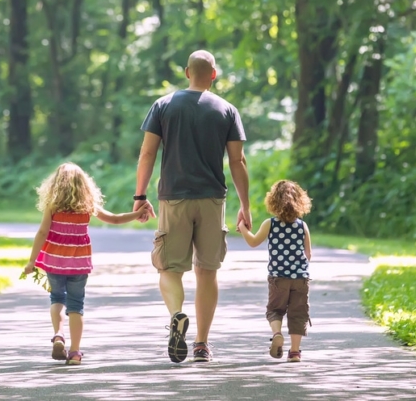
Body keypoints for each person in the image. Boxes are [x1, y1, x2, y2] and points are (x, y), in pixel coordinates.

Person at [134, 50, 251, 363]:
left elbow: (147, 154)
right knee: (207, 271)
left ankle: (176, 315)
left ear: (188, 72)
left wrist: (140, 196)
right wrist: (245, 206)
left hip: (174, 199)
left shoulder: (164, 105)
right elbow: (237, 161)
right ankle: (201, 344)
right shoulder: (227, 110)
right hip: (213, 200)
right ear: (213, 74)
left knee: (169, 268)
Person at [24, 162, 147, 365]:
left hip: (55, 262)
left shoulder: (53, 206)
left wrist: (31, 261)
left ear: (55, 185)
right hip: (79, 264)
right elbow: (115, 219)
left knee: (56, 298)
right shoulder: (88, 206)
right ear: (84, 185)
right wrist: (137, 213)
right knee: (76, 306)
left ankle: (58, 335)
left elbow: (42, 232)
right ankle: (74, 352)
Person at [237, 179, 312, 363]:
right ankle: (294, 352)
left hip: (278, 277)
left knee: (275, 310)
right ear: (300, 202)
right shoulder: (302, 226)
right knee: (298, 314)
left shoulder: (270, 224)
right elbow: (308, 254)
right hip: (300, 278)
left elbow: (254, 242)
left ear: (273, 201)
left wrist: (242, 228)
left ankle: (277, 333)